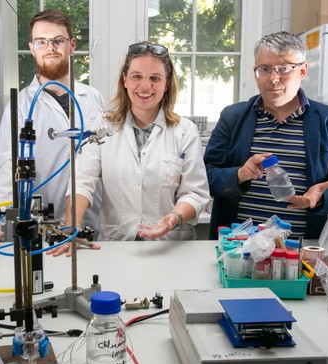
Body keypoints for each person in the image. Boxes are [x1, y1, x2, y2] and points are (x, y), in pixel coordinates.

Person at [48, 42, 210, 256]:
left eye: (155, 78)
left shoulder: (184, 131)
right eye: (136, 76)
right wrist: (72, 226)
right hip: (117, 245)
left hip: (170, 246)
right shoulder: (102, 125)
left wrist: (173, 219)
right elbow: (83, 181)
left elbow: (195, 193)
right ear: (124, 80)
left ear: (167, 84)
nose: (145, 86)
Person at [204, 31, 328, 239]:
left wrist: (319, 198)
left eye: (284, 68)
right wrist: (241, 175)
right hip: (237, 248)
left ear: (302, 71)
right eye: (265, 69)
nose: (274, 78)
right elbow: (207, 176)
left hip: (298, 250)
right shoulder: (233, 117)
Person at [0, 9, 104, 233]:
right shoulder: (20, 104)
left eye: (58, 40)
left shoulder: (93, 98)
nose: (50, 48)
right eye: (41, 41)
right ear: (32, 48)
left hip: (91, 223)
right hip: (40, 226)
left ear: (72, 45)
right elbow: (8, 168)